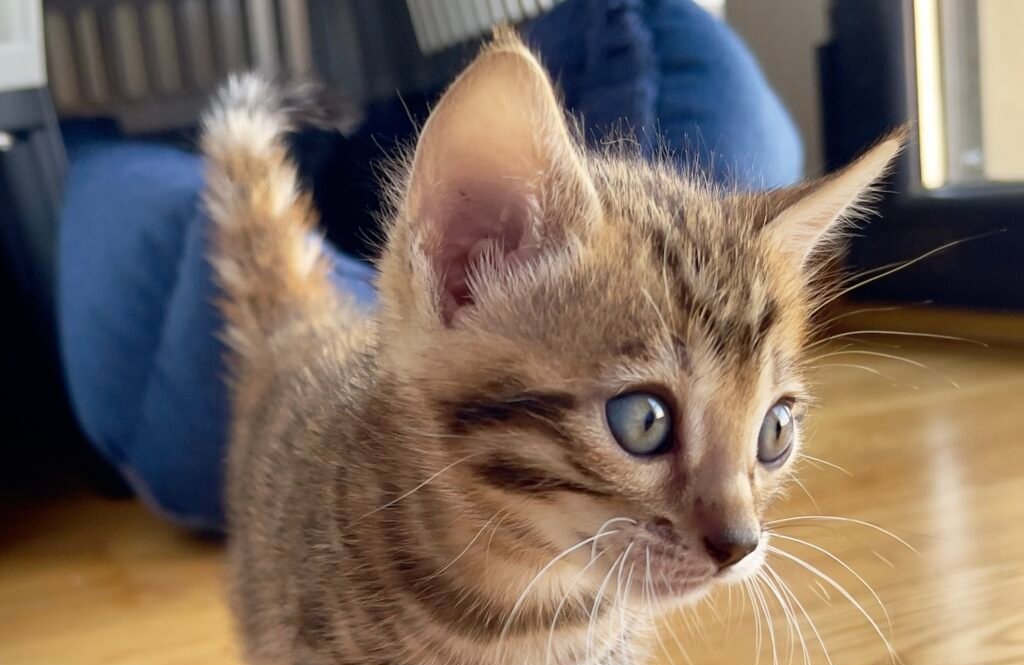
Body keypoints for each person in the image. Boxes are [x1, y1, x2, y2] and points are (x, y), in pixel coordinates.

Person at [58, 0, 802, 530]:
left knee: (716, 114)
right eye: (646, 422)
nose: (740, 536)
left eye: (775, 432)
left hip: (443, 91)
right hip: (182, 131)